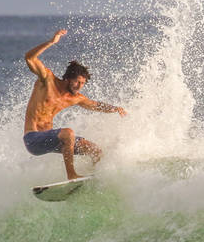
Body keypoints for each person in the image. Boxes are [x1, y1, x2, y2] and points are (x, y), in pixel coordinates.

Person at [23, 29, 127, 180]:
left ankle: (96, 179)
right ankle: (71, 175)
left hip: (52, 140)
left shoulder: (75, 97)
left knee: (94, 150)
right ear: (68, 78)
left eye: (83, 83)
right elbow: (29, 58)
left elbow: (94, 105)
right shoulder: (47, 80)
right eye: (77, 81)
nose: (80, 86)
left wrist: (115, 109)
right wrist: (51, 42)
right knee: (68, 133)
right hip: (33, 139)